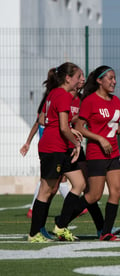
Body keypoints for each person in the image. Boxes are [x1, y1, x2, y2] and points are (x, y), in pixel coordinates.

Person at [28, 62, 85, 242]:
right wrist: (76, 143)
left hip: (58, 146)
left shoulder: (53, 93)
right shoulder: (62, 95)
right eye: (77, 77)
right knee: (46, 190)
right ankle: (34, 233)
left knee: (79, 183)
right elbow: (61, 127)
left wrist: (70, 131)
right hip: (53, 147)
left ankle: (60, 226)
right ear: (68, 78)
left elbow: (47, 119)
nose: (79, 80)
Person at [75, 66, 120, 241]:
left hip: (113, 153)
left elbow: (110, 126)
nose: (114, 82)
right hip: (96, 153)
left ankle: (106, 233)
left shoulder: (115, 101)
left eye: (115, 78)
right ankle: (61, 222)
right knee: (94, 196)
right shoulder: (90, 101)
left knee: (116, 191)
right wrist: (100, 139)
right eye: (110, 78)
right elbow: (79, 127)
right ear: (99, 81)